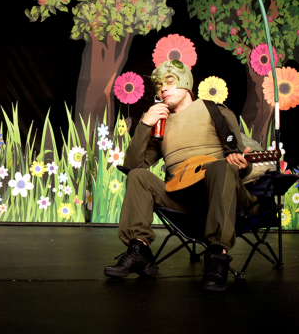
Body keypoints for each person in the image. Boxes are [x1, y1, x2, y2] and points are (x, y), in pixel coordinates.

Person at [103, 59, 256, 292]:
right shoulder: (160, 124)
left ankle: (217, 256)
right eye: (159, 86)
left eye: (169, 82)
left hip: (219, 195)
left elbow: (238, 156)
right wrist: (145, 124)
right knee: (138, 177)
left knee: (223, 167)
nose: (162, 89)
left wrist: (242, 164)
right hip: (182, 199)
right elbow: (133, 165)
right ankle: (139, 249)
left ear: (185, 82)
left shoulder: (214, 110)